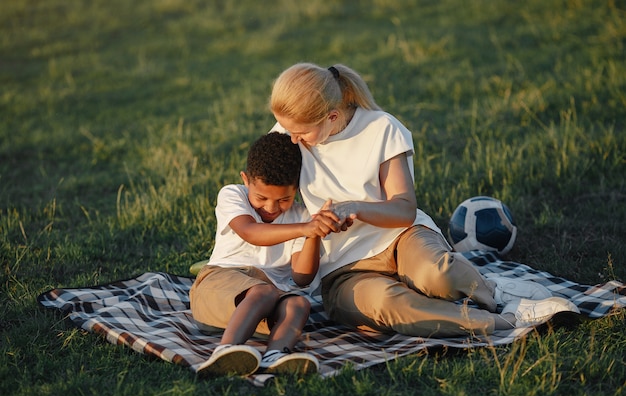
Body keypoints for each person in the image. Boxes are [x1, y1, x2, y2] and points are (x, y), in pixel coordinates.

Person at [268, 62, 580, 337]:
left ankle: (494, 291)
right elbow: (266, 188)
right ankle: (506, 321)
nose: (291, 139)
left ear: (331, 116)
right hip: (344, 269)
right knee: (388, 304)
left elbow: (404, 209)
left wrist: (356, 208)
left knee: (438, 276)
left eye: (301, 133)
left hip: (402, 237)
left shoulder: (380, 129)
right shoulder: (289, 131)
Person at [190, 131, 337, 377]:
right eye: (261, 197)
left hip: (265, 305)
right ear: (246, 180)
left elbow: (302, 278)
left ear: (297, 189)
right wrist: (304, 228)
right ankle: (225, 352)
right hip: (217, 290)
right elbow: (251, 232)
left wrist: (313, 233)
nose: (271, 207)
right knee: (263, 291)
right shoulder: (233, 195)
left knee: (299, 302)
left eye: (284, 199)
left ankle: (275, 355)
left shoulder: (301, 217)